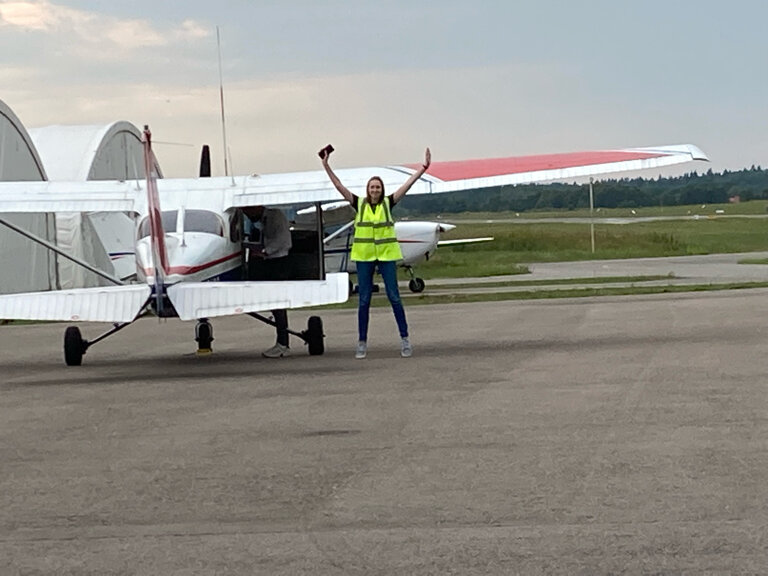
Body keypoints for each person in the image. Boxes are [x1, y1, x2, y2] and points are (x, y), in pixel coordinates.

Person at [320, 145, 431, 359]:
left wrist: (423, 169)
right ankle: (362, 342)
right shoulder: (358, 204)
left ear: (381, 190)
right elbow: (339, 186)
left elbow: (406, 186)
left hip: (387, 256)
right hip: (364, 257)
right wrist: (326, 165)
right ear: (367, 190)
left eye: (377, 188)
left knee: (394, 297)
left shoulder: (388, 204)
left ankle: (405, 339)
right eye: (372, 187)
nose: (374, 191)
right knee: (364, 301)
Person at [242, 206, 293, 358]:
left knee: (277, 303)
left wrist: (264, 251)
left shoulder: (274, 216)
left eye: (247, 211)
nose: (247, 216)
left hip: (278, 262)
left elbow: (283, 241)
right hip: (273, 261)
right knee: (275, 304)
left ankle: (283, 343)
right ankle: (282, 342)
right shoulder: (266, 218)